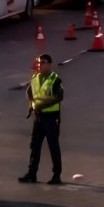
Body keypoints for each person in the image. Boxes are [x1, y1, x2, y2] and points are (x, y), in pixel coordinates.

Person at [19, 53, 64, 184]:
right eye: (38, 63)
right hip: (38, 117)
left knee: (53, 146)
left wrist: (43, 104)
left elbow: (59, 96)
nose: (39, 65)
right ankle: (32, 173)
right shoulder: (35, 78)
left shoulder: (55, 79)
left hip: (51, 117)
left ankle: (57, 175)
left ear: (49, 64)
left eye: (42, 63)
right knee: (35, 145)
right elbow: (29, 92)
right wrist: (31, 105)